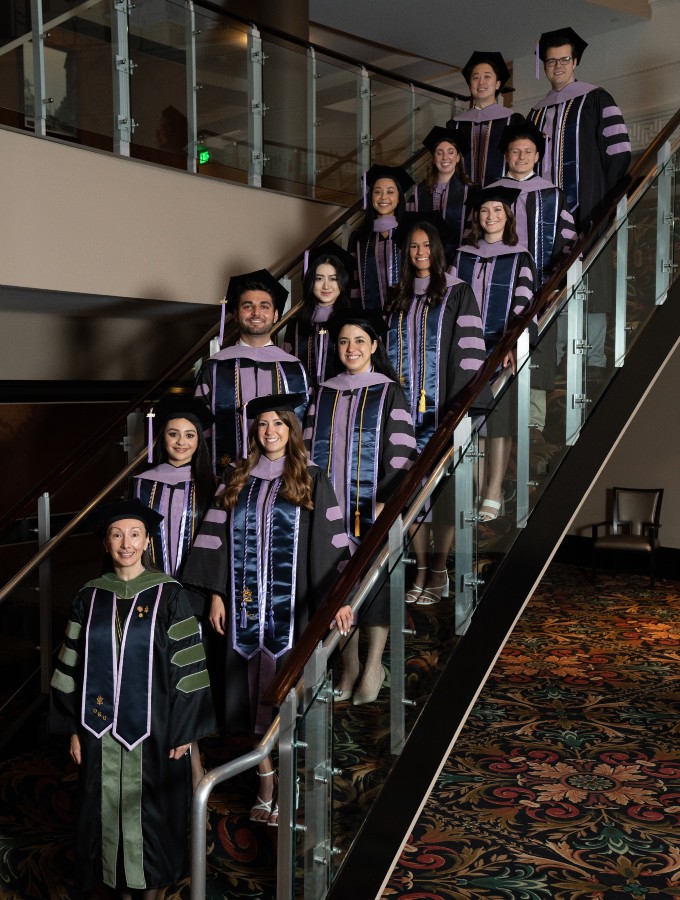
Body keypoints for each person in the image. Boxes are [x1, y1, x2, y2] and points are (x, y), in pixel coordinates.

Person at [181, 395, 350, 825]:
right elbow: (216, 537)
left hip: (293, 615)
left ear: (292, 430)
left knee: (285, 697)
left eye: (279, 424)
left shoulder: (311, 477)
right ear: (253, 432)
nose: (270, 431)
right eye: (262, 425)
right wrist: (217, 593)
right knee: (248, 699)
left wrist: (337, 600)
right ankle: (266, 781)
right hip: (242, 613)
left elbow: (330, 543)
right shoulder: (236, 477)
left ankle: (289, 782)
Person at [49, 499, 215, 900]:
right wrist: (72, 728)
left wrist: (185, 732)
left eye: (135, 534)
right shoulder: (89, 597)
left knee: (154, 823)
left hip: (157, 733)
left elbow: (190, 670)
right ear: (106, 544)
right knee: (104, 819)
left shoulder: (169, 595)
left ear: (146, 542)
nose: (126, 543)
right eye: (117, 534)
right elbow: (69, 664)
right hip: (98, 732)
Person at [305, 311, 418, 703]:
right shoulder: (323, 391)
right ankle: (349, 665)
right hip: (327, 507)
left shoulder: (389, 391)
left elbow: (402, 451)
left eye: (359, 341)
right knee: (336, 586)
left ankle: (373, 666)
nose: (351, 349)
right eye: (343, 342)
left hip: (371, 507)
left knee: (374, 584)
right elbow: (306, 451)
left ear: (374, 346)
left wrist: (386, 501)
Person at [385, 213, 488, 603]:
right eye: (413, 246)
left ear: (438, 249)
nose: (420, 252)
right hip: (402, 414)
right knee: (406, 493)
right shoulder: (398, 295)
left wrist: (457, 411)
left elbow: (468, 352)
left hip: (443, 411)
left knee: (441, 492)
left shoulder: (458, 291)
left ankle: (440, 567)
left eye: (426, 245)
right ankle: (421, 567)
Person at [527, 27, 631, 380]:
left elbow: (619, 154)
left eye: (564, 59)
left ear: (576, 61)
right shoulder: (535, 114)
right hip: (546, 221)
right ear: (544, 64)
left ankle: (594, 362)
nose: (557, 66)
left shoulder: (597, 99)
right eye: (551, 60)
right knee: (551, 283)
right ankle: (554, 361)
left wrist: (606, 205)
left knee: (594, 279)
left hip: (590, 212)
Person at [132, 395, 216, 789]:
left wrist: (216, 594)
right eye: (172, 434)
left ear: (200, 440)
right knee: (153, 678)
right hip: (149, 595)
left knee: (187, 680)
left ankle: (195, 765)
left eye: (189, 435)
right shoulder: (141, 485)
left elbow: (224, 548)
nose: (181, 442)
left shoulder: (213, 486)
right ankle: (156, 761)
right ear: (160, 438)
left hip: (194, 598)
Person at [489, 118, 577, 462]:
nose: (521, 156)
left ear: (537, 155)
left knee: (537, 349)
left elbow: (570, 242)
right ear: (507, 156)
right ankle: (499, 420)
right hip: (499, 289)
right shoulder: (493, 193)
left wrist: (557, 283)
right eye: (515, 151)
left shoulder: (552, 194)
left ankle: (533, 425)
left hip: (540, 288)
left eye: (527, 151)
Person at [452, 186, 537, 522]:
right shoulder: (461, 257)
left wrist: (514, 344)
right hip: (465, 348)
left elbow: (525, 305)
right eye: (484, 211)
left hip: (500, 349)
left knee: (497, 421)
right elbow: (451, 305)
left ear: (508, 216)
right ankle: (475, 485)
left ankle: (494, 489)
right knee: (474, 419)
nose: (490, 217)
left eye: (497, 211)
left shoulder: (520, 257)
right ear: (476, 216)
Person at [194, 268, 309, 472]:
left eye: (264, 306)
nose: (256, 312)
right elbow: (199, 426)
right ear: (236, 315)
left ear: (275, 315)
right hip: (224, 475)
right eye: (248, 306)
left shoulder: (293, 368)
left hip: (284, 476)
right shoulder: (215, 366)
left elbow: (307, 424)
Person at [447, 51, 523, 187]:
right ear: (470, 85)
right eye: (475, 78)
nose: (481, 82)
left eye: (487, 76)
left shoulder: (513, 121)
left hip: (500, 198)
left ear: (498, 84)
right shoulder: (455, 125)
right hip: (462, 198)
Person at [283, 241, 355, 387]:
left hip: (341, 399)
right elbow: (287, 370)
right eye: (319, 279)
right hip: (303, 401)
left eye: (333, 279)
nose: (326, 286)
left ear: (342, 282)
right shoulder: (295, 325)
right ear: (310, 282)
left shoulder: (353, 323)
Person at [349, 164, 414, 312]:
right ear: (371, 197)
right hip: (370, 318)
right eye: (377, 192)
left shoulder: (411, 233)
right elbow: (354, 282)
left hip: (406, 315)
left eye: (390, 192)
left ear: (399, 198)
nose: (383, 197)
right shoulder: (359, 237)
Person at [408, 125, 474, 261]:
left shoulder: (471, 191)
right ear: (433, 158)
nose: (445, 157)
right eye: (439, 153)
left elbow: (474, 232)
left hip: (458, 261)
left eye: (450, 152)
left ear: (457, 158)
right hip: (424, 260)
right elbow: (411, 229)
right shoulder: (419, 192)